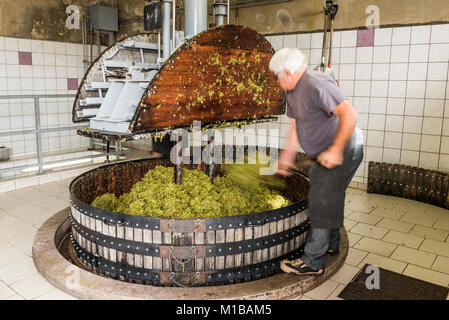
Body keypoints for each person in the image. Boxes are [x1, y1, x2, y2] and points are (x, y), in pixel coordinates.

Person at [270, 48, 364, 276]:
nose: (276, 81)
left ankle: (312, 261)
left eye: (277, 76)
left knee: (321, 201)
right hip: (322, 151)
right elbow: (295, 125)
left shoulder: (316, 83)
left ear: (289, 72)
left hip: (345, 148)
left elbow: (349, 113)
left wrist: (335, 150)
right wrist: (287, 157)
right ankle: (331, 244)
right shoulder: (291, 91)